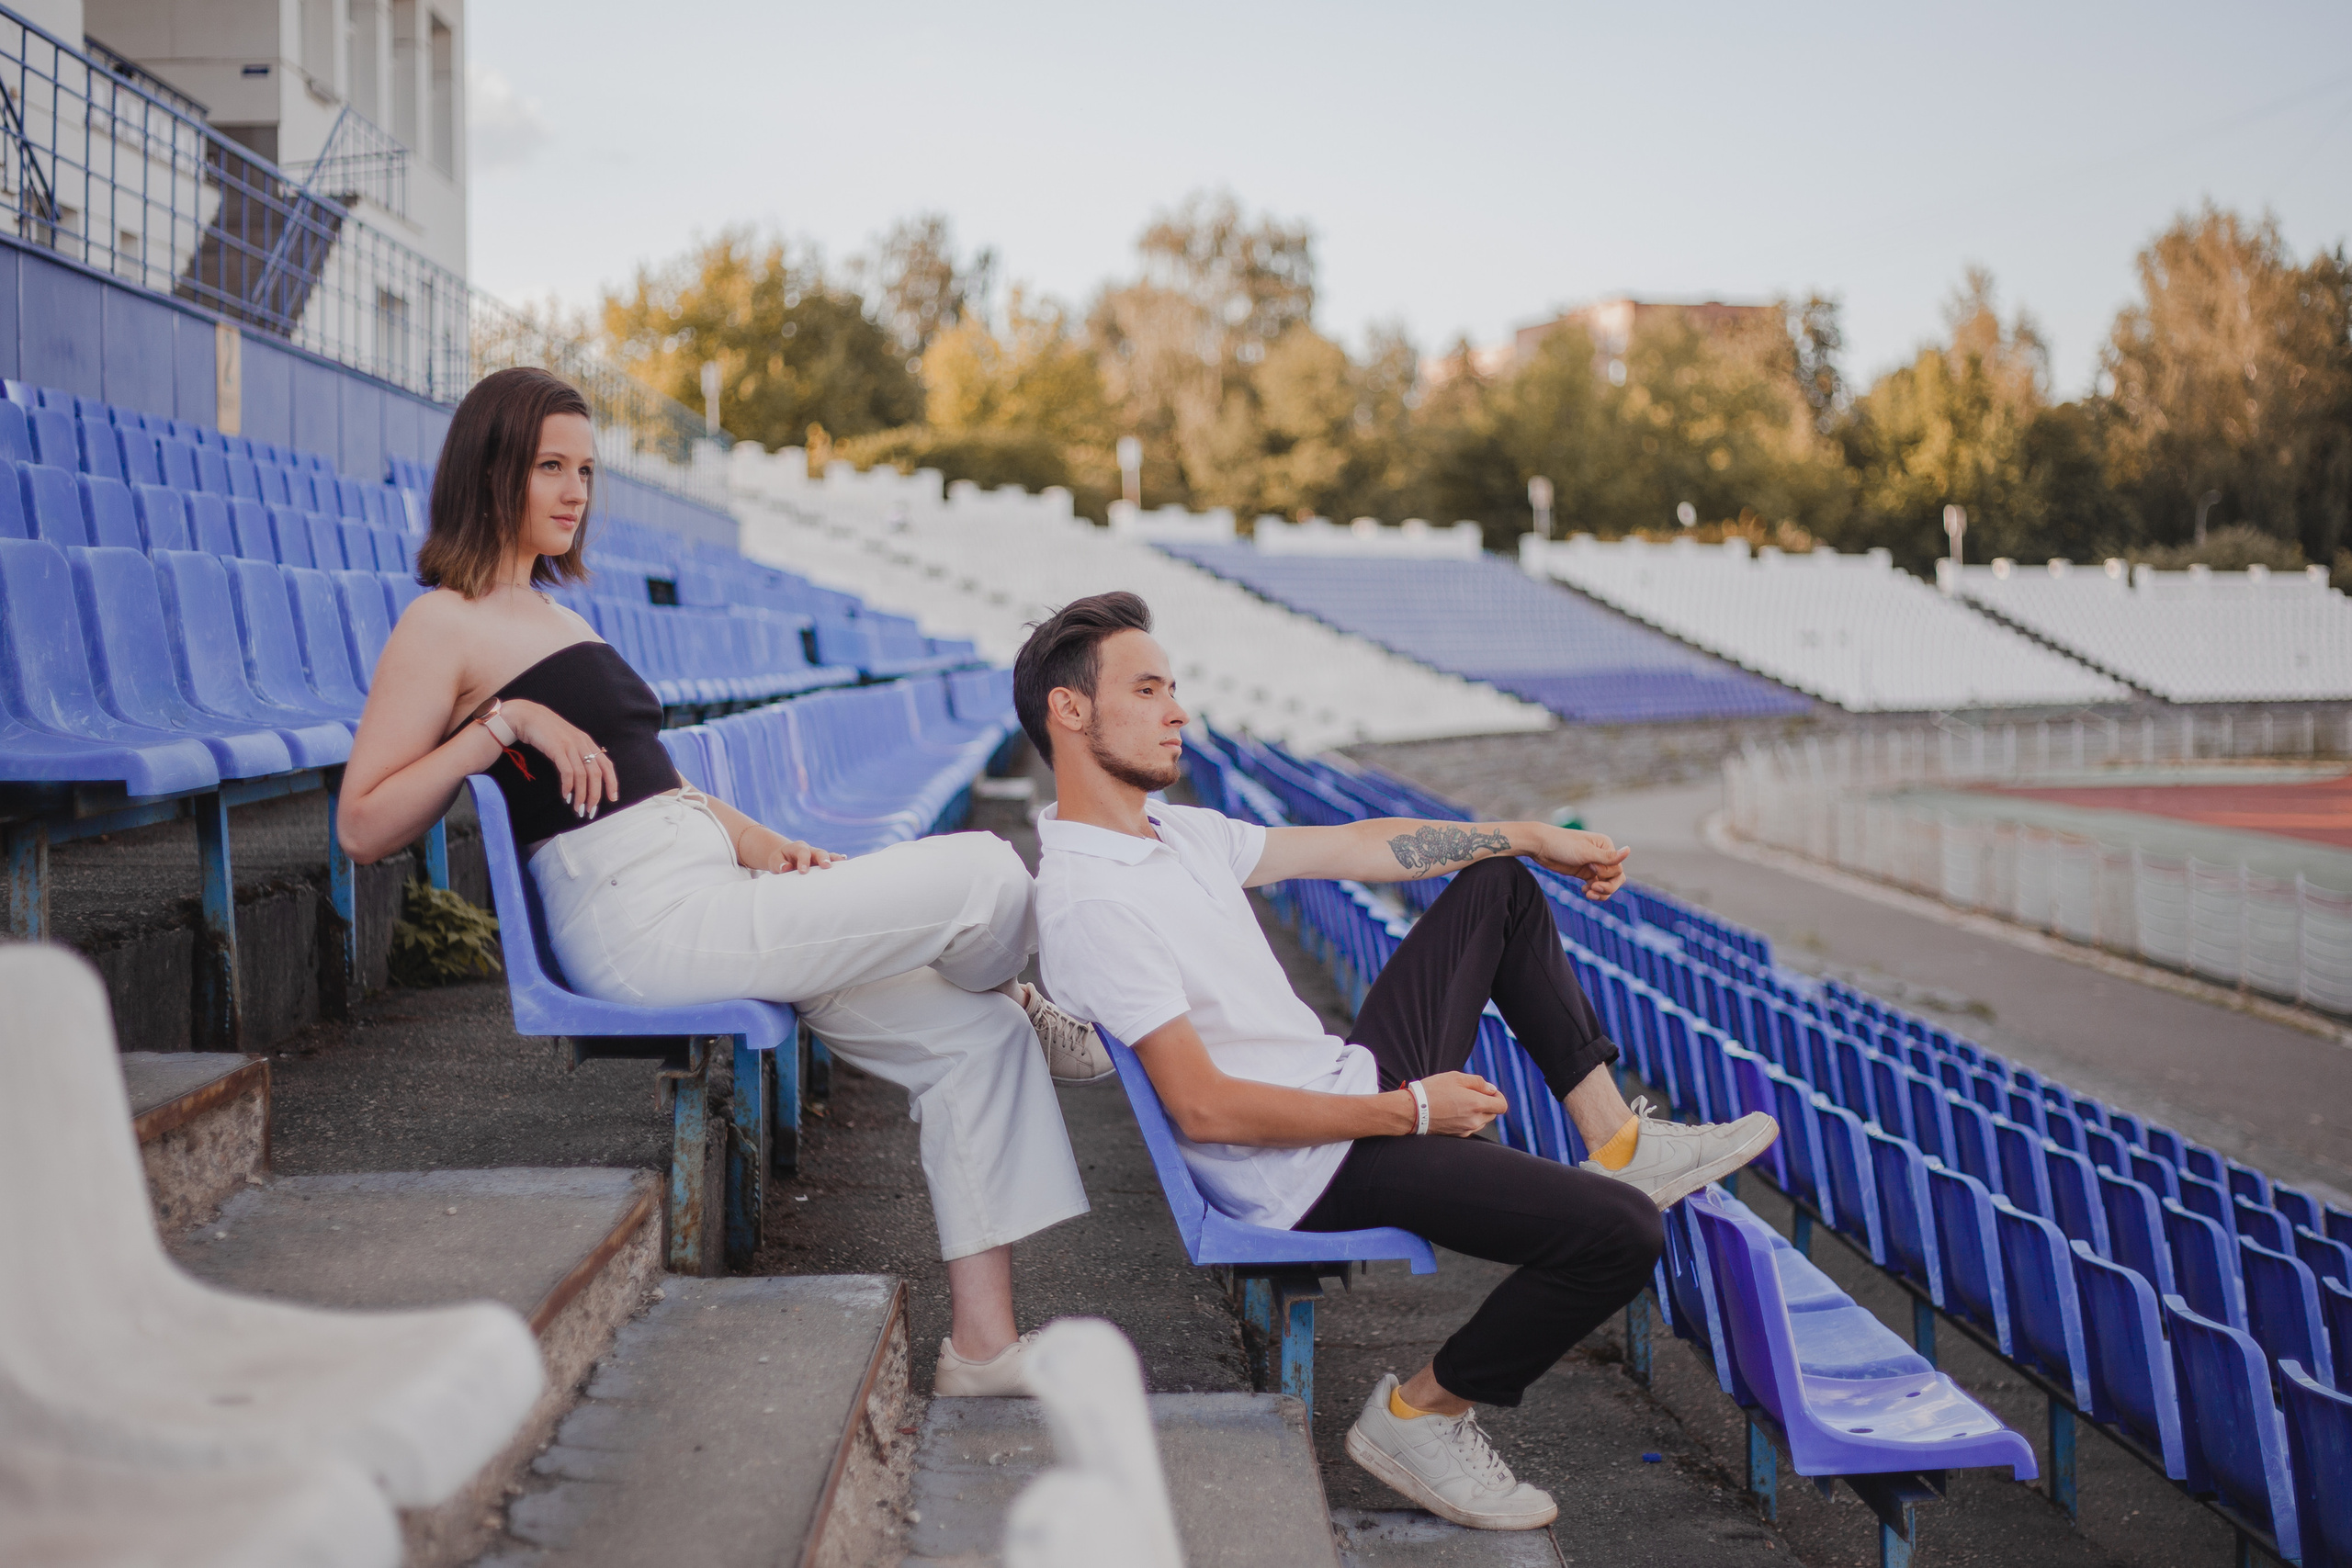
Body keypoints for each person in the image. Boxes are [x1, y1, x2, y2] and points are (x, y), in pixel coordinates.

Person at [336, 367, 1111, 1397]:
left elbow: (654, 782)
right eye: (548, 468)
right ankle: (1009, 977)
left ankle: (984, 1351)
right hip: (639, 923)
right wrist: (499, 728)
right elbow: (361, 823)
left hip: (707, 891)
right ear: (491, 472)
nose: (574, 493)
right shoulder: (444, 622)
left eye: (585, 471)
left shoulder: (558, 614)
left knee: (980, 1042)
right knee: (985, 872)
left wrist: (755, 835)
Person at [1020, 592, 1778, 1531]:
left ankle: (1615, 1136)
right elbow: (1206, 1109)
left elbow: (1359, 845)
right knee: (1617, 1236)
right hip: (1308, 1162)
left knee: (1496, 883)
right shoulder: (1092, 900)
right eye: (1148, 689)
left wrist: (1530, 835)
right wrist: (1412, 1111)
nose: (1178, 710)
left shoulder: (1177, 834)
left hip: (1343, 1088)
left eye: (1174, 687)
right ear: (1070, 711)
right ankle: (1422, 1412)